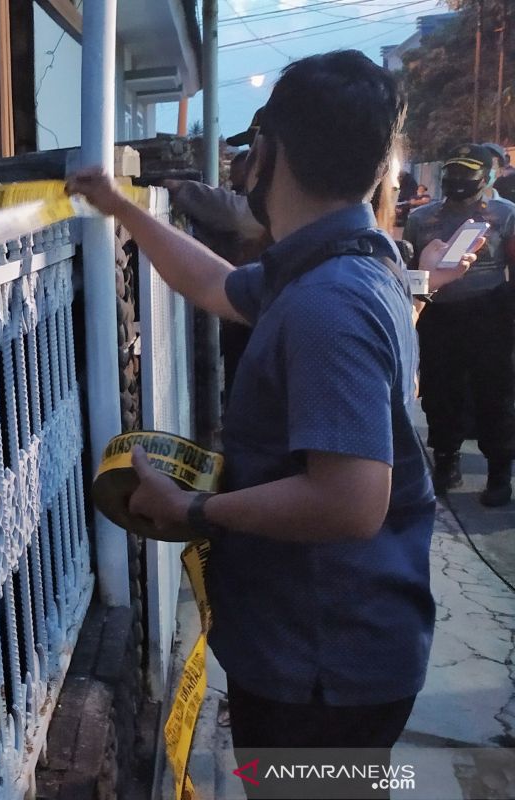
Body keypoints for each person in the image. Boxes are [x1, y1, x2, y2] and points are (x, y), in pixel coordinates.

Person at [68, 51, 444, 767]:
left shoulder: (330, 301)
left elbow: (352, 500)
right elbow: (217, 286)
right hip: (327, 648)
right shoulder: (335, 262)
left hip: (323, 666)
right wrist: (119, 208)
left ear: (268, 152)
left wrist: (194, 512)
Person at [404, 143, 515, 505]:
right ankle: (445, 461)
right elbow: (413, 274)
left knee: (494, 393)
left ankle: (499, 470)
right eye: (453, 173)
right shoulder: (422, 219)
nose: (458, 181)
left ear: (486, 178)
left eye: (467, 175)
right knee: (440, 392)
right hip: (440, 316)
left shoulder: (506, 214)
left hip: (490, 313)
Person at [163, 147, 270, 396]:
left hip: (253, 326)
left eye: (238, 178)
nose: (232, 184)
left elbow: (235, 214)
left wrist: (182, 190)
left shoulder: (271, 210)